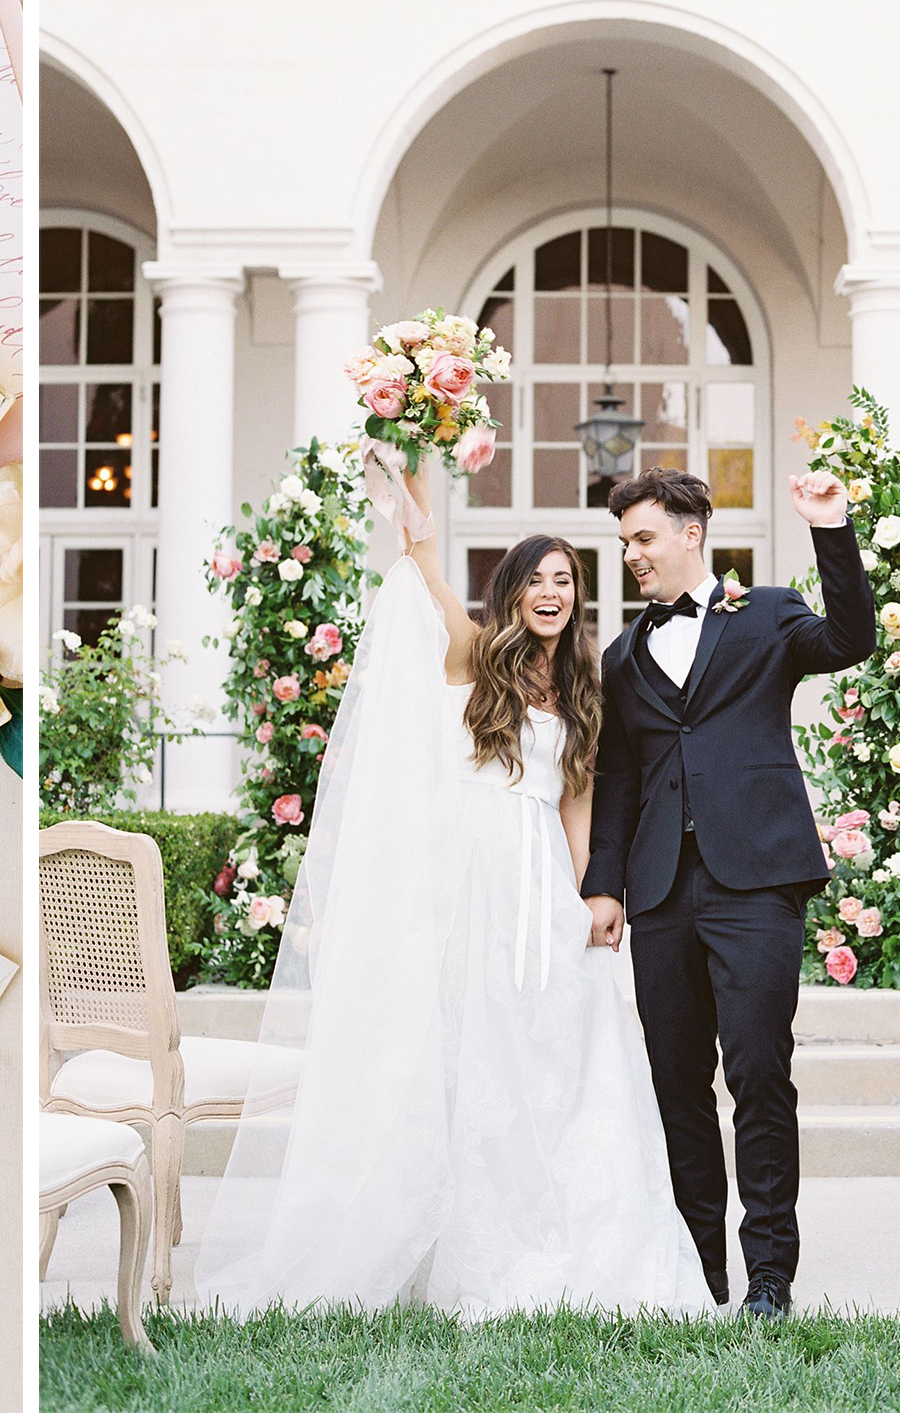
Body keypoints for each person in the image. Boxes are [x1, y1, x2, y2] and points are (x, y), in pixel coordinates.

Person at [196, 455, 710, 1318]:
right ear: (511, 589)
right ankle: (455, 1234)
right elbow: (428, 571)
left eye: (567, 580)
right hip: (467, 880)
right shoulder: (473, 656)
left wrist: (593, 895)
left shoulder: (585, 687)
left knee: (562, 1053)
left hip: (540, 880)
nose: (552, 591)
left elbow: (577, 802)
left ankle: (563, 1229)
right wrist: (413, 489)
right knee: (466, 1054)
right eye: (537, 578)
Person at [583, 466, 875, 1319]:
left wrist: (832, 526)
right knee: (677, 1081)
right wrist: (605, 887)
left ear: (691, 533)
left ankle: (770, 1273)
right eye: (625, 541)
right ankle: (698, 1264)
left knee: (759, 1073)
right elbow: (617, 778)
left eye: (643, 537)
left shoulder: (768, 615)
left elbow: (850, 636)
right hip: (662, 892)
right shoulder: (621, 655)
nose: (632, 554)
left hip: (757, 881)